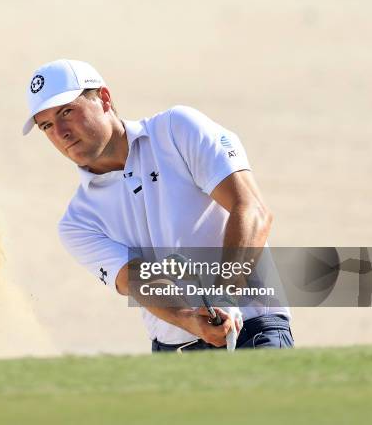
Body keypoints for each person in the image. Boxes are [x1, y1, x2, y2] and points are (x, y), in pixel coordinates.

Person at [22, 59, 294, 352]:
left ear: (103, 98)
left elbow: (252, 209)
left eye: (67, 112)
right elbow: (138, 279)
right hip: (175, 353)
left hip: (254, 331)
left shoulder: (178, 130)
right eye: (47, 125)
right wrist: (191, 320)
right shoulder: (77, 223)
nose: (60, 132)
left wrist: (224, 295)